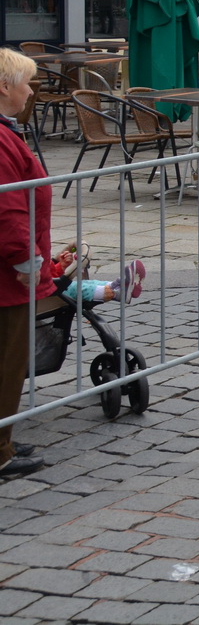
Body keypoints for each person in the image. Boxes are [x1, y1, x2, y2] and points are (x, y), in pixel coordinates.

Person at [0, 48, 52, 479]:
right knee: (7, 361)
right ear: (4, 87)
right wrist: (26, 260)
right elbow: (9, 209)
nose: (30, 90)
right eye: (25, 82)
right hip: (5, 278)